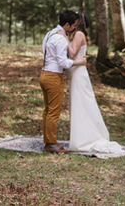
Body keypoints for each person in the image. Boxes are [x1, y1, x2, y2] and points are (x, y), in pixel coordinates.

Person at [66, 12, 124, 154]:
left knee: (81, 103)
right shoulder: (79, 34)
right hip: (76, 71)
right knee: (80, 103)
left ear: (79, 22)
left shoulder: (79, 34)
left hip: (78, 72)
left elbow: (72, 53)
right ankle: (82, 135)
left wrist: (64, 38)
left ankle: (85, 138)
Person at [40, 10, 86, 154]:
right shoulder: (60, 39)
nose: (75, 28)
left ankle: (49, 141)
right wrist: (79, 61)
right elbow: (63, 62)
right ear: (67, 25)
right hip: (53, 77)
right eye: (74, 25)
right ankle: (51, 144)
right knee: (53, 112)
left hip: (44, 74)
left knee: (48, 111)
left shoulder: (50, 34)